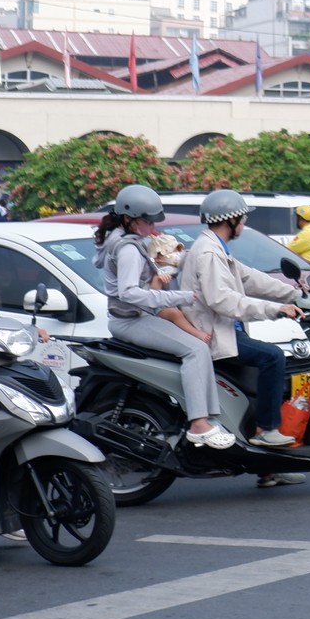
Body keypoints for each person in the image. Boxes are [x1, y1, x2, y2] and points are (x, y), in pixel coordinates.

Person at [178, 190, 310, 487]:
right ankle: (265, 431)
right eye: (243, 218)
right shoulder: (209, 253)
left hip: (226, 331)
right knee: (272, 357)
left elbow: (250, 278)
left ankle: (268, 465)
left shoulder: (217, 249)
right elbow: (222, 300)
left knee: (266, 381)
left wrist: (294, 292)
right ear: (232, 219)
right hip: (214, 335)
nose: (244, 223)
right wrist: (276, 310)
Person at [93, 185, 234, 449]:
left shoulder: (122, 239)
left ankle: (208, 419)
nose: (150, 227)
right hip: (130, 320)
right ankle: (199, 424)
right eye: (146, 222)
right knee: (195, 349)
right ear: (128, 218)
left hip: (133, 317)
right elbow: (130, 293)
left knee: (197, 346)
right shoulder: (127, 249)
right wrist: (180, 297)